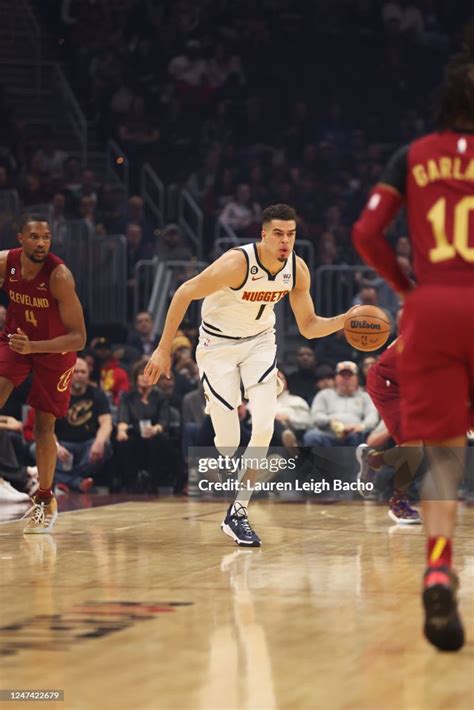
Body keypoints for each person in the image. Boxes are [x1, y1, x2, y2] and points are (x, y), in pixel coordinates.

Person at [352, 27, 474, 650]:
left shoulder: (414, 153)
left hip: (432, 307)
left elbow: (367, 232)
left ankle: (437, 566)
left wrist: (406, 288)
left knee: (446, 459)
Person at [145, 203, 356, 547]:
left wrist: (344, 319)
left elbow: (309, 325)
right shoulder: (236, 263)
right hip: (217, 345)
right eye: (277, 234)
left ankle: (238, 511)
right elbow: (184, 292)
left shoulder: (297, 270)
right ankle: (217, 403)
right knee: (228, 443)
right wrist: (163, 347)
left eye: (290, 234)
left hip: (260, 342)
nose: (285, 241)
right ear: (263, 235)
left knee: (264, 426)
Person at [0, 214, 86, 533]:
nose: (41, 243)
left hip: (55, 348)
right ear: (20, 238)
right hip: (16, 339)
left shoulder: (59, 275)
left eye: (46, 237)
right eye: (35, 237)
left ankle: (45, 497)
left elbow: (80, 337)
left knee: (43, 425)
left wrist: (34, 348)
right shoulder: (5, 263)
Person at [356, 336, 423, 524]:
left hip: (410, 384)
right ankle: (398, 503)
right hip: (388, 385)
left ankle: (373, 459)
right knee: (414, 447)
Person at [51, 357, 112, 493]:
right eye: (75, 372)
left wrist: (99, 441)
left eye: (83, 372)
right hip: (63, 444)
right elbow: (47, 428)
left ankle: (65, 480)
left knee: (106, 446)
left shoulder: (97, 394)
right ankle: (78, 483)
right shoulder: (57, 394)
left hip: (87, 445)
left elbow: (106, 423)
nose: (79, 376)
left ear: (88, 373)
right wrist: (56, 446)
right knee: (39, 448)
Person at [303, 361, 378, 448]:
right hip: (328, 433)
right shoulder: (324, 394)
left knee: (360, 436)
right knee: (311, 436)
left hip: (355, 433)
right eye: (342, 375)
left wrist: (361, 426)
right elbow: (316, 415)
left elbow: (372, 416)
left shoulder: (365, 397)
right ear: (336, 378)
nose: (346, 379)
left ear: (356, 378)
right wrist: (331, 421)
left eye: (349, 376)